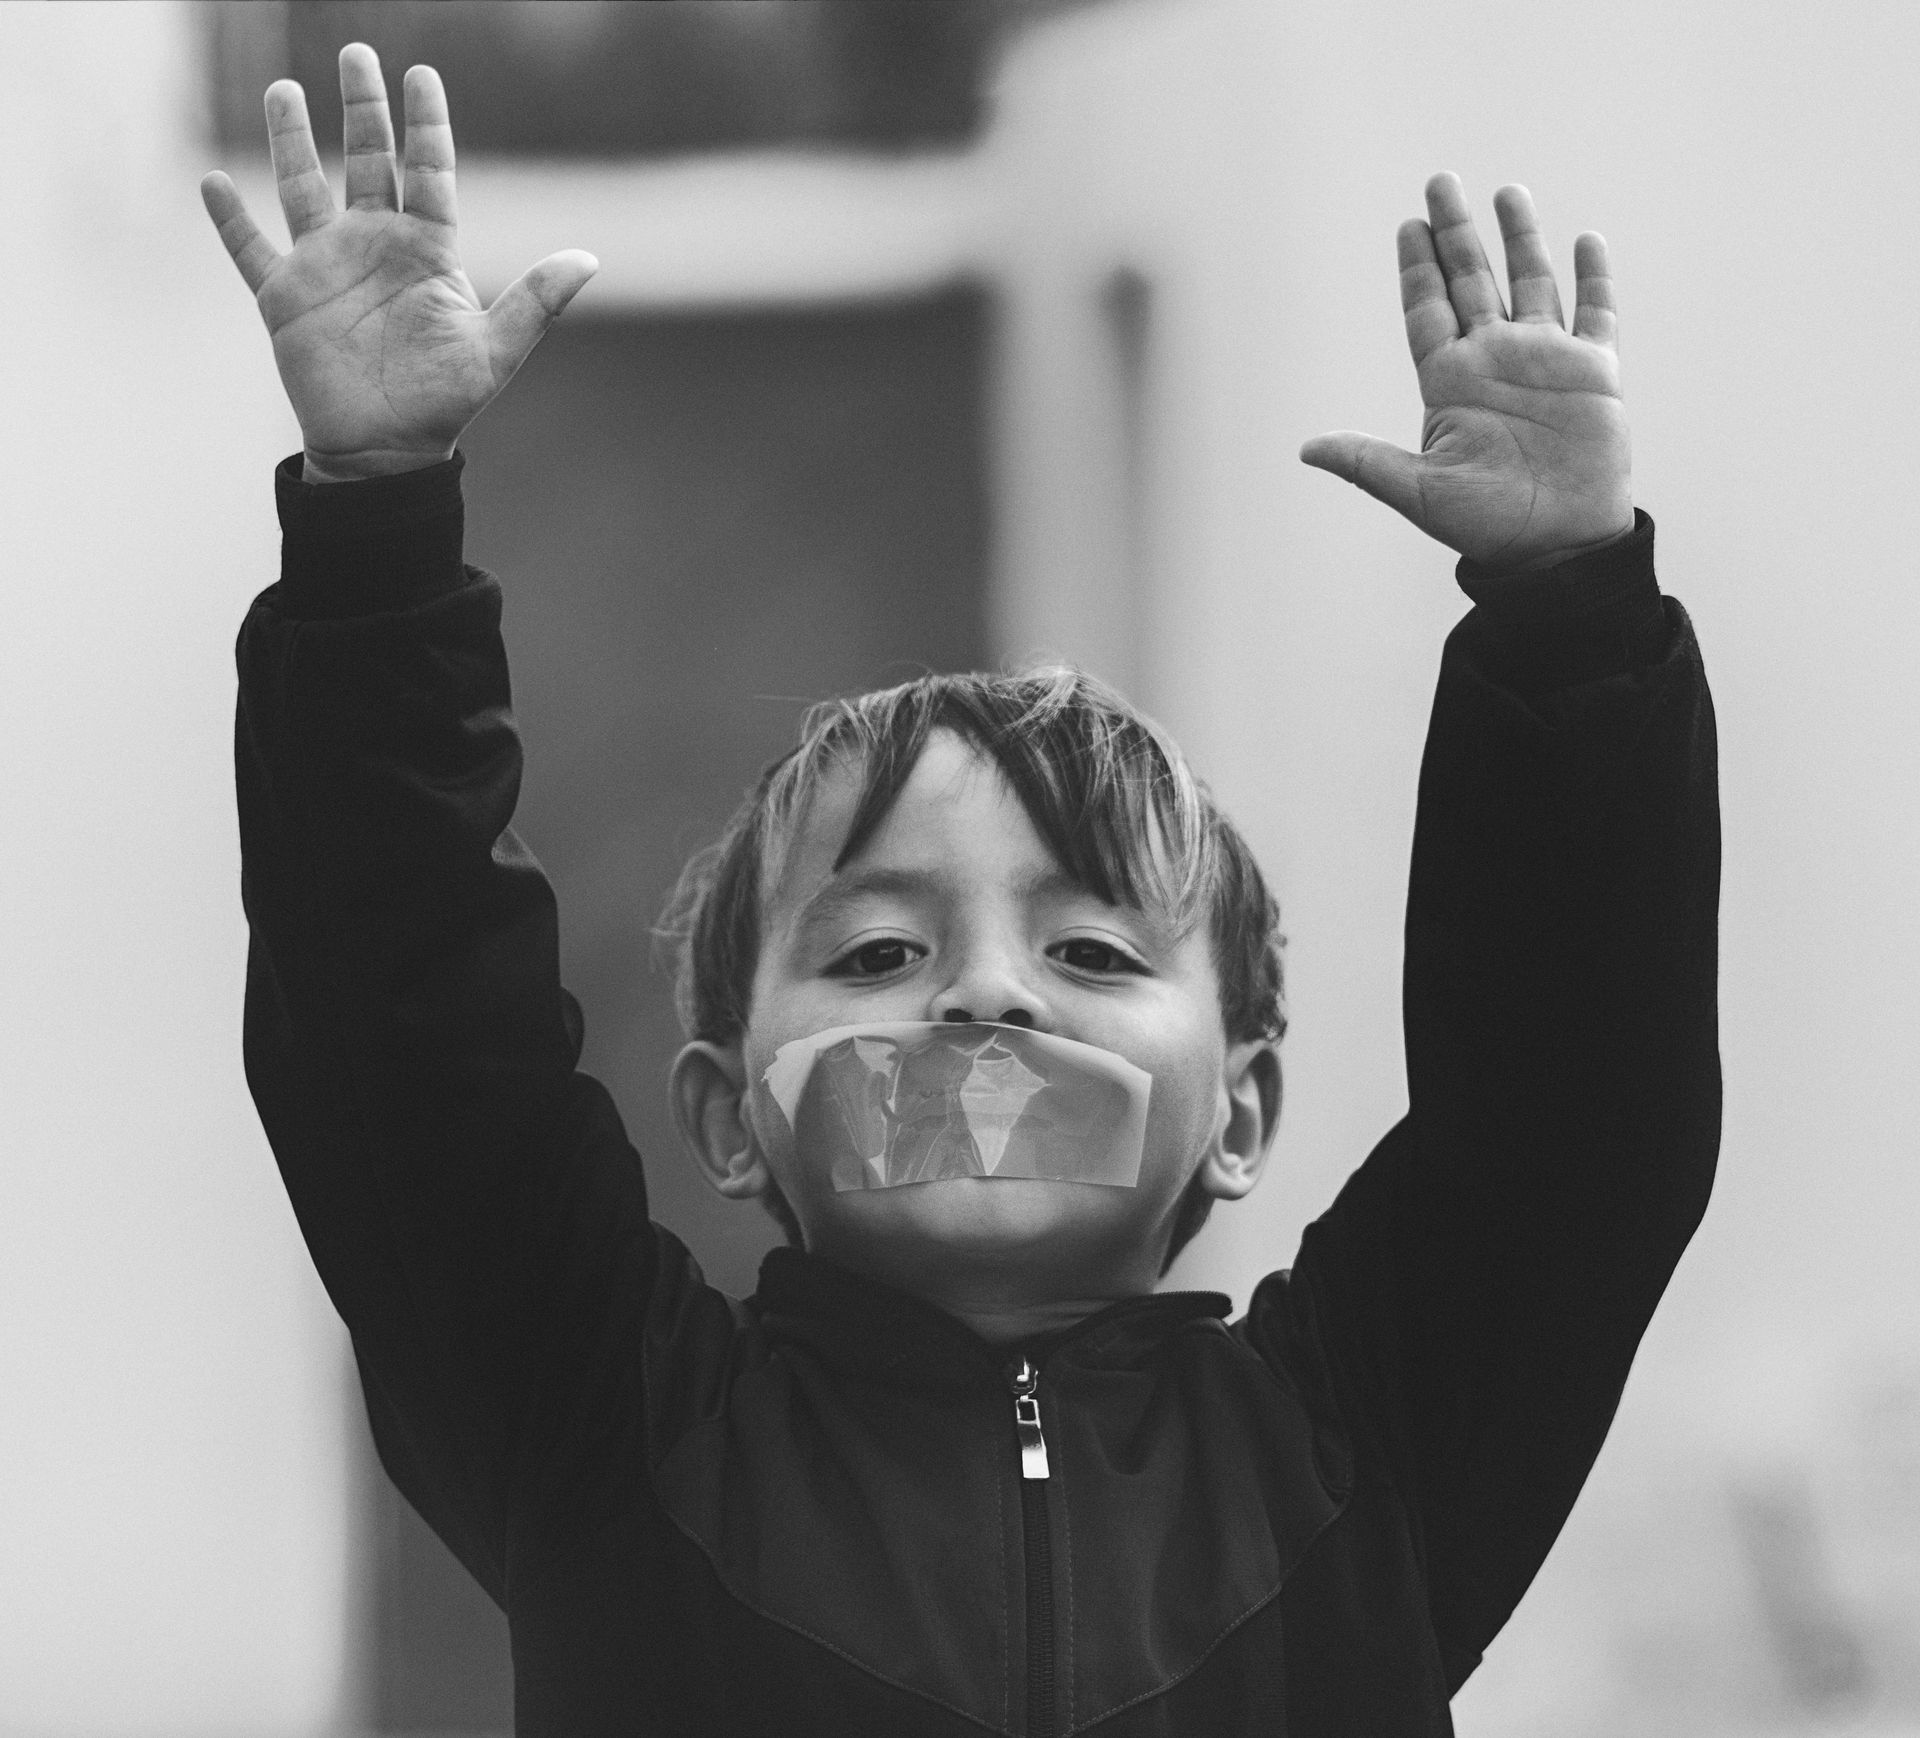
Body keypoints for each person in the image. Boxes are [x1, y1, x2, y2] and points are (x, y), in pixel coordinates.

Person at [203, 42, 1719, 1738]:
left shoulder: (1371, 1452)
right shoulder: (607, 1437)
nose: (981, 995)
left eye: (1085, 943)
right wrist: (375, 524)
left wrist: (1576, 609)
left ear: (1241, 1109)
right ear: (724, 1115)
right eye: (875, 946)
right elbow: (408, 1050)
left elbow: (1581, 1109)